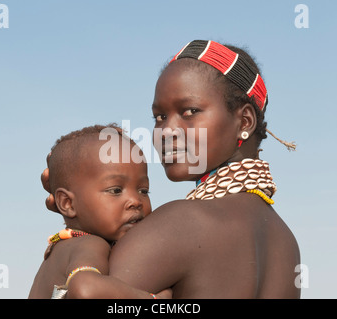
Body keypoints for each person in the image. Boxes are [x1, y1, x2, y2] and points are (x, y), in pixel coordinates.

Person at [41, 40, 301, 298]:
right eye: (160, 117)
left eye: (189, 111)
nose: (167, 131)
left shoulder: (181, 224)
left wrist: (72, 238)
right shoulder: (286, 245)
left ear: (244, 120)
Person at [29, 124, 171, 299]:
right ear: (67, 203)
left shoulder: (60, 249)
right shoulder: (90, 244)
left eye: (143, 191)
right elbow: (86, 289)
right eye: (115, 190)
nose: (136, 201)